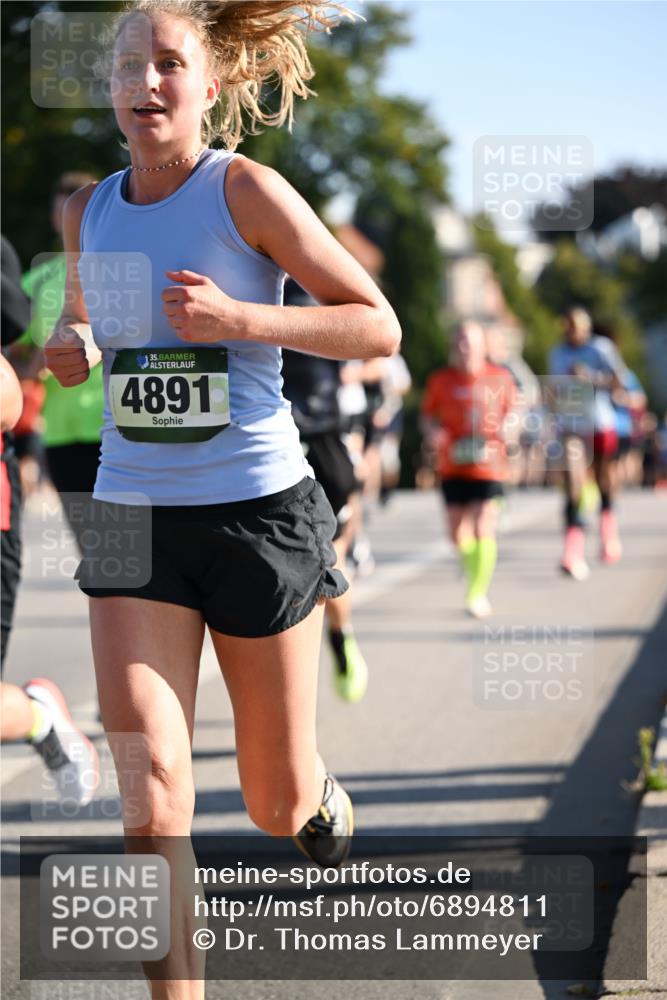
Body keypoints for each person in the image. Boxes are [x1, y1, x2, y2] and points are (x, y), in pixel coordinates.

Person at [44, 3, 399, 994]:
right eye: (128, 67)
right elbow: (93, 340)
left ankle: (316, 796)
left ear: (210, 84)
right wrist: (76, 353)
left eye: (167, 65)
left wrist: (239, 317)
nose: (145, 83)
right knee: (149, 793)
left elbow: (378, 328)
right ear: (109, 86)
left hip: (255, 508)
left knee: (272, 799)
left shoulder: (246, 190)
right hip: (129, 512)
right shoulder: (90, 211)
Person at [1, 237, 98, 805]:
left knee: (115, 562)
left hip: (113, 434)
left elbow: (12, 392)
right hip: (63, 440)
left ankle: (39, 717)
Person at [281, 278, 369, 703]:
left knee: (325, 566)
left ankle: (340, 635)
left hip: (323, 441)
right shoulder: (240, 281)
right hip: (268, 445)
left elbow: (376, 344)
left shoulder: (323, 288)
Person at [17, 172, 103, 548]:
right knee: (96, 557)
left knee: (137, 554)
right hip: (62, 435)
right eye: (65, 213)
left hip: (118, 431)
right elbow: (13, 356)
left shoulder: (129, 270)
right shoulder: (35, 281)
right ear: (57, 219)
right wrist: (37, 361)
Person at [421, 320, 515, 618]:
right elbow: (427, 417)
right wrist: (433, 434)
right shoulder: (441, 380)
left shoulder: (500, 377)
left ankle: (477, 592)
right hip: (453, 465)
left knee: (483, 525)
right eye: (460, 343)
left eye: (471, 343)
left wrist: (507, 429)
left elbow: (515, 414)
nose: (465, 349)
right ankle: (472, 567)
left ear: (482, 347)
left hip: (489, 465)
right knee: (456, 533)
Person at [548, 307, 627, 578]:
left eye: (577, 326)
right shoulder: (557, 353)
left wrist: (591, 378)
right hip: (572, 425)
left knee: (604, 479)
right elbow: (554, 388)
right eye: (568, 326)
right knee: (573, 483)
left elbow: (620, 381)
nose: (572, 331)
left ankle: (608, 532)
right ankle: (572, 551)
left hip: (600, 422)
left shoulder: (600, 349)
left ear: (586, 327)